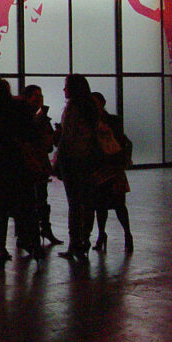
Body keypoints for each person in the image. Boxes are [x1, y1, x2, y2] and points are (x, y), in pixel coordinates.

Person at [0, 75, 36, 266]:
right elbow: (29, 132)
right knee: (23, 204)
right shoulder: (19, 107)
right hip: (17, 161)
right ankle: (28, 240)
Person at [55, 74, 101, 262]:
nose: (64, 90)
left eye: (66, 86)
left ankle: (75, 242)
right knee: (87, 201)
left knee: (74, 203)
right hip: (89, 158)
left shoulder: (73, 108)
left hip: (72, 160)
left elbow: (68, 136)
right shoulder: (92, 106)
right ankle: (85, 239)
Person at [91, 92, 134, 254]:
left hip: (108, 167)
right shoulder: (113, 121)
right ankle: (115, 234)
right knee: (105, 205)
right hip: (108, 166)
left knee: (114, 204)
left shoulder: (95, 123)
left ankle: (109, 235)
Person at [22, 85, 62, 245]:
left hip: (35, 164)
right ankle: (42, 230)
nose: (39, 99)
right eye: (36, 96)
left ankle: (33, 233)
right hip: (36, 163)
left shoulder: (36, 119)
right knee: (39, 199)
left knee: (39, 199)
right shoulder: (37, 119)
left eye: (40, 95)